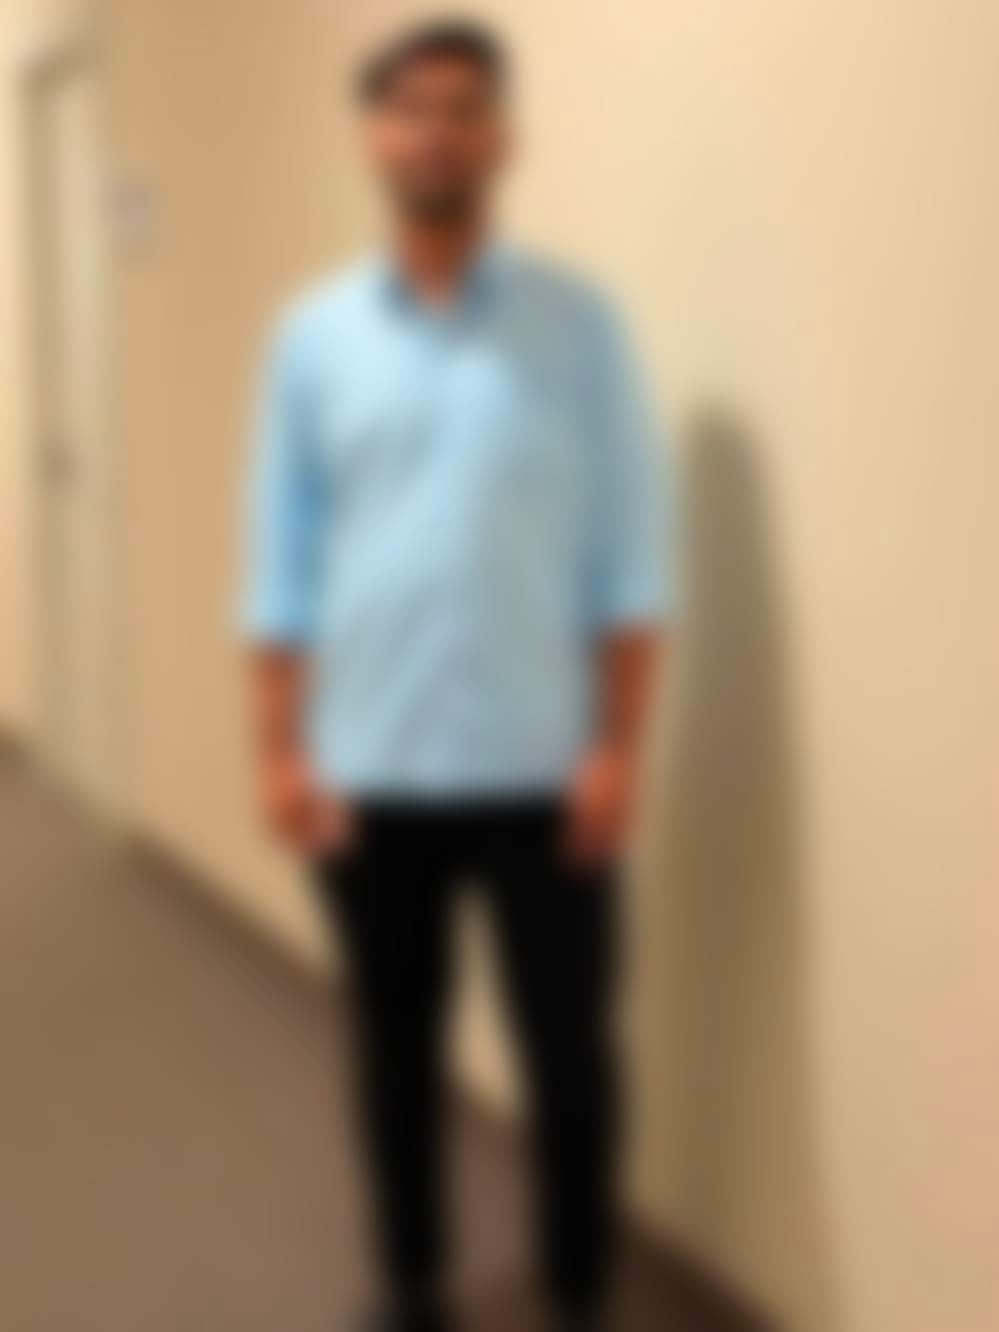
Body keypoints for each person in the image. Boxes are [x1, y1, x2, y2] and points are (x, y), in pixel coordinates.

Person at [241, 19, 673, 1332]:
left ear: (503, 139)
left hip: (545, 772)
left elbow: (629, 561)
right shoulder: (314, 340)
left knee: (570, 1059)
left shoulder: (578, 329)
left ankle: (579, 1291)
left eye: (464, 107)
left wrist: (617, 750)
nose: (437, 130)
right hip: (370, 768)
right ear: (375, 138)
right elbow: (282, 562)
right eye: (412, 108)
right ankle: (413, 1284)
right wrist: (280, 750)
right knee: (393, 1051)